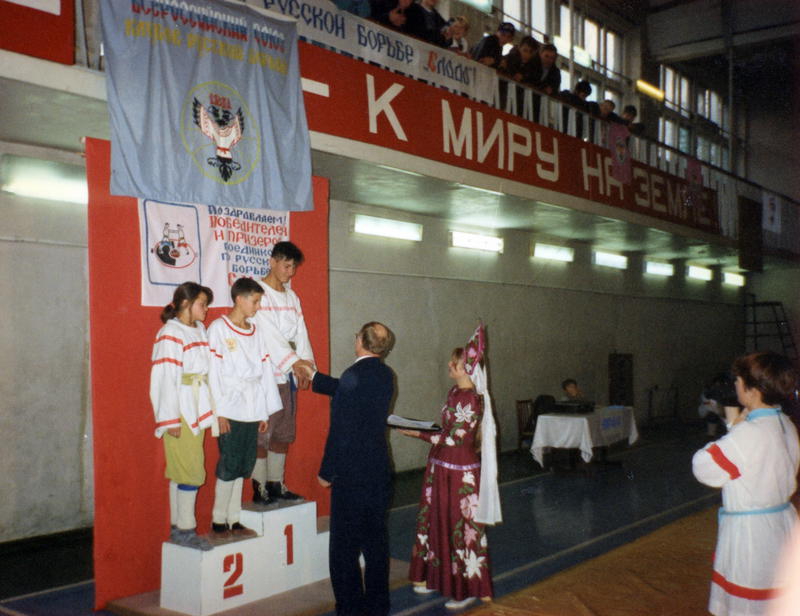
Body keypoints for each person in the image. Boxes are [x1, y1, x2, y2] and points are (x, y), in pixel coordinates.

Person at [399, 324, 501, 610]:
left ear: (466, 368)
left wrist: (417, 433)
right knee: (436, 522)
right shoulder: (455, 392)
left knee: (461, 528)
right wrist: (424, 430)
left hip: (460, 474)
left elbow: (456, 438)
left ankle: (467, 589)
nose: (449, 365)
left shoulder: (471, 398)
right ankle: (433, 578)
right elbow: (447, 428)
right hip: (441, 468)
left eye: (453, 363)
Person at [692, 351, 800, 616]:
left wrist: (737, 427)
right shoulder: (785, 423)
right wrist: (738, 426)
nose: (736, 386)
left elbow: (703, 467)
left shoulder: (750, 432)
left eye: (739, 381)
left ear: (753, 390)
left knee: (749, 604)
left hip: (753, 534)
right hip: (781, 524)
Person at [302, 322, 396, 616]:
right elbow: (351, 392)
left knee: (344, 549)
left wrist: (326, 472)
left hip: (352, 476)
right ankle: (378, 607)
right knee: (375, 544)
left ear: (360, 341)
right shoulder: (385, 375)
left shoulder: (352, 375)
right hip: (378, 471)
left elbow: (340, 430)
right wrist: (314, 378)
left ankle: (350, 608)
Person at [207, 278, 283, 539]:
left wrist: (263, 412)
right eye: (255, 301)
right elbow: (213, 372)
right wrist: (219, 411)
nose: (258, 307)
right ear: (239, 299)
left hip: (251, 407)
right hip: (229, 406)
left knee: (244, 464)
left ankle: (234, 518)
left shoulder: (255, 331)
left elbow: (264, 372)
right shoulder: (218, 328)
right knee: (230, 462)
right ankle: (218, 520)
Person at [149, 281, 215, 551]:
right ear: (186, 304)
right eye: (202, 304)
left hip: (197, 405)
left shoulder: (199, 330)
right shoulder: (170, 333)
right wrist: (169, 418)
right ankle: (186, 529)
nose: (206, 310)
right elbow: (164, 377)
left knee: (182, 468)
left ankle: (178, 527)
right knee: (190, 469)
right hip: (181, 409)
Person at [253, 241, 316, 505]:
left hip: (289, 373)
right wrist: (294, 362)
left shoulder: (292, 297)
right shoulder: (258, 293)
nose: (290, 272)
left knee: (284, 431)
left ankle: (276, 483)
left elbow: (301, 332)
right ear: (272, 262)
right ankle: (259, 487)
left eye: (293, 268)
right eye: (286, 266)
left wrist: (306, 366)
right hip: (267, 371)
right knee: (263, 432)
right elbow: (268, 334)